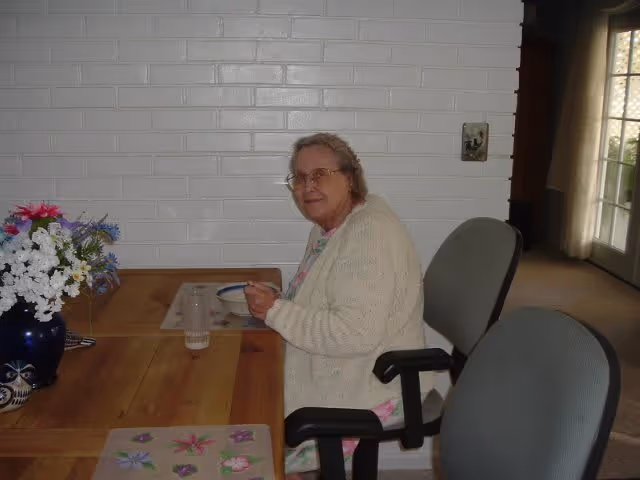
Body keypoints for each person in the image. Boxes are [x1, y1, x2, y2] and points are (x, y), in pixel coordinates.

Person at [244, 133, 432, 479]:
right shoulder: (331, 225)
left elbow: (353, 334)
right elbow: (324, 299)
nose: (307, 186)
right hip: (351, 366)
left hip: (373, 384)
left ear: (348, 177)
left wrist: (275, 310)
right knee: (248, 388)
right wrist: (279, 303)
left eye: (319, 174)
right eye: (299, 178)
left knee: (249, 445)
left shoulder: (369, 235)